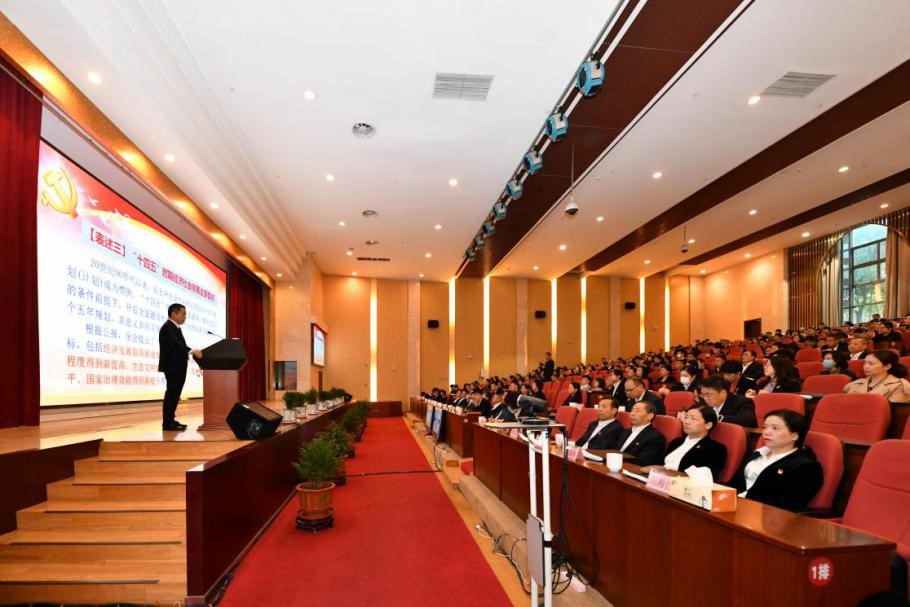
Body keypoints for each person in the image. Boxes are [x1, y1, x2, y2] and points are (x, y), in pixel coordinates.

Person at [734, 409, 823, 512]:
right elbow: (734, 485)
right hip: (736, 506)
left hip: (764, 515)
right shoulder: (756, 454)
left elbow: (788, 506)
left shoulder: (806, 467)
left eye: (775, 428)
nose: (766, 432)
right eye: (765, 427)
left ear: (794, 435)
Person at [158, 303, 203, 431]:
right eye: (183, 314)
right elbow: (175, 343)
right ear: (174, 313)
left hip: (177, 366)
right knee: (172, 394)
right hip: (172, 367)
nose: (185, 317)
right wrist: (191, 350)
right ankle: (167, 423)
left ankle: (170, 420)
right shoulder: (168, 327)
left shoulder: (176, 328)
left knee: (175, 394)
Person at [661, 406, 727, 479]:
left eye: (693, 418)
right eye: (686, 417)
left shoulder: (715, 449)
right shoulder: (676, 442)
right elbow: (660, 465)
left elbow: (704, 478)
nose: (686, 422)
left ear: (708, 425)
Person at [843, 350, 910, 402]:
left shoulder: (899, 386)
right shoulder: (858, 383)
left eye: (871, 364)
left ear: (887, 366)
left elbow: (894, 412)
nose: (866, 366)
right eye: (865, 363)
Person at [615, 401, 666, 466]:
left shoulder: (655, 437)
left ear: (650, 416)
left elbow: (644, 462)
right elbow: (614, 450)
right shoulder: (626, 431)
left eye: (637, 411)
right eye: (632, 410)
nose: (632, 414)